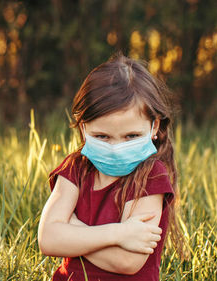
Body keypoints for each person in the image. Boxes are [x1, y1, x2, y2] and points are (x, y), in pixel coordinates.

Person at [37, 54, 180, 281]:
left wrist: (72, 229)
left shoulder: (151, 176)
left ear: (154, 127)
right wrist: (119, 233)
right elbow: (48, 240)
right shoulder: (76, 168)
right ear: (83, 129)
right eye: (102, 136)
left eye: (131, 136)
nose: (116, 148)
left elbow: (127, 262)